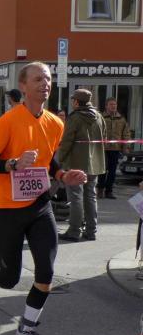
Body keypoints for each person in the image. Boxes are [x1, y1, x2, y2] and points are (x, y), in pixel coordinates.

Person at [0, 62, 87, 335]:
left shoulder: (56, 123)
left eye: (48, 78)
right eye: (38, 79)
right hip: (8, 207)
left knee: (46, 273)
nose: (45, 83)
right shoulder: (8, 121)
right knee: (9, 279)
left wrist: (62, 175)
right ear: (23, 86)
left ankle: (26, 331)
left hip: (40, 205)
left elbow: (49, 161)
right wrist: (13, 164)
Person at [57, 89, 106, 242]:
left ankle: (74, 231)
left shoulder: (75, 117)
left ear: (77, 102)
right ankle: (91, 231)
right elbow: (104, 137)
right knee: (91, 197)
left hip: (76, 163)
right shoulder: (99, 116)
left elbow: (67, 141)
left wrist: (60, 160)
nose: (72, 102)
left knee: (76, 197)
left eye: (73, 100)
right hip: (95, 164)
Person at [97, 97, 130, 199]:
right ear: (106, 106)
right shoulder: (100, 117)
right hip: (103, 149)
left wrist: (125, 147)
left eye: (115, 104)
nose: (113, 106)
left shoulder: (121, 119)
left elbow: (126, 134)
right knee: (102, 170)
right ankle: (100, 190)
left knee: (112, 171)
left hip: (115, 149)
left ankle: (109, 191)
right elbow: (96, 132)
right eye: (111, 104)